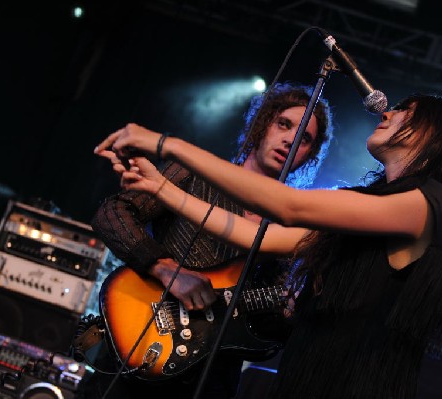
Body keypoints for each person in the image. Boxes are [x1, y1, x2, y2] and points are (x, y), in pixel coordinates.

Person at [95, 93, 442, 398]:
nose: (387, 112)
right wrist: (162, 187)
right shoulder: (380, 206)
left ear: (435, 135)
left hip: (352, 382)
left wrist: (168, 144)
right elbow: (262, 237)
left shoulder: (428, 205)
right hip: (313, 372)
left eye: (407, 110)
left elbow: (288, 207)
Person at [85, 82, 333, 398]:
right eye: (283, 124)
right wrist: (164, 268)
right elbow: (112, 213)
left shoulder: (290, 228)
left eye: (305, 138)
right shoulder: (193, 174)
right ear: (262, 124)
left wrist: (286, 318)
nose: (291, 139)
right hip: (142, 345)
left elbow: (259, 339)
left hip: (211, 378)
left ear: (310, 154)